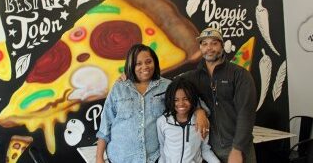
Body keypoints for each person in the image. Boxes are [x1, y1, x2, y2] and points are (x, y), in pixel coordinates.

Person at [96, 44, 208, 163]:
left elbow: (189, 101)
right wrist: (99, 158)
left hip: (155, 158)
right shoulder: (119, 88)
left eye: (148, 61)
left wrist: (200, 112)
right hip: (120, 157)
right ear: (131, 65)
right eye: (138, 64)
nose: (145, 66)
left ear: (155, 62)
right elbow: (105, 126)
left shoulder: (167, 86)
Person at [179, 28, 257, 163]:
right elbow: (172, 92)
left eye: (214, 43)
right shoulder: (191, 78)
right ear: (200, 48)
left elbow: (246, 114)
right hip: (208, 151)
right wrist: (198, 110)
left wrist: (237, 149)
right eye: (204, 44)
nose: (209, 48)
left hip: (238, 149)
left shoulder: (240, 75)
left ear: (222, 46)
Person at [157, 77, 220, 163]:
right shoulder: (162, 122)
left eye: (186, 99)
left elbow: (205, 150)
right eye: (176, 100)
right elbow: (163, 149)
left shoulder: (202, 122)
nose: (181, 104)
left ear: (192, 98)